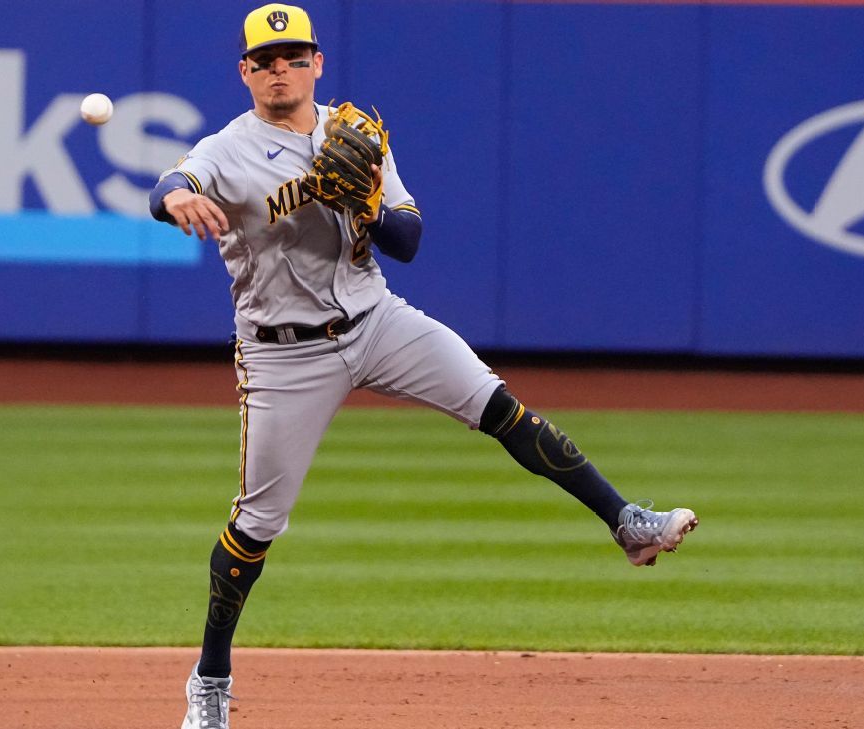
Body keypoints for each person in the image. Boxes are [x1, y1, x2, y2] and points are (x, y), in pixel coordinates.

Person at [148, 5, 698, 728]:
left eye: (293, 54)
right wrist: (179, 195)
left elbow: (406, 239)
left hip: (376, 318)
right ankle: (209, 681)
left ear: (318, 62)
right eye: (265, 59)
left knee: (497, 403)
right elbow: (169, 187)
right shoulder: (229, 148)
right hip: (284, 354)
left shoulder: (358, 136)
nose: (279, 67)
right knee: (256, 524)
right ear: (245, 72)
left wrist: (368, 206)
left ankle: (628, 522)